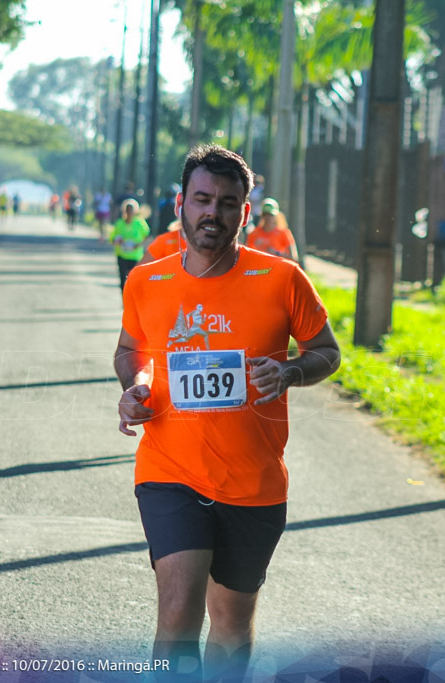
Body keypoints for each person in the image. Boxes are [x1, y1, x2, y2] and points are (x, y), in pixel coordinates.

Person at [114, 144, 341, 680]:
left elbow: (327, 352)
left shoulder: (282, 280)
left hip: (254, 481)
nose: (212, 212)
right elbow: (130, 351)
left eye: (227, 202)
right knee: (177, 611)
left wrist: (288, 372)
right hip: (170, 471)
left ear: (245, 209)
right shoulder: (147, 280)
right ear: (180, 204)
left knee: (232, 624)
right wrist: (135, 387)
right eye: (202, 199)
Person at [110, 198, 150, 291]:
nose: (129, 212)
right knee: (123, 279)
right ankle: (124, 300)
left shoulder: (140, 223)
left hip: (135, 257)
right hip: (122, 255)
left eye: (131, 209)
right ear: (124, 210)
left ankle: (132, 300)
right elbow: (112, 238)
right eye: (127, 209)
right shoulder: (120, 223)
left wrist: (138, 244)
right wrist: (118, 241)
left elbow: (147, 237)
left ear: (135, 211)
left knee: (133, 280)